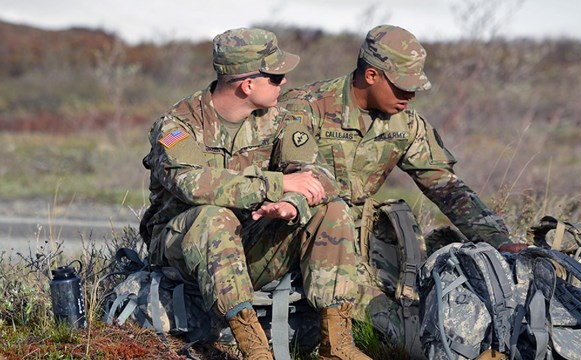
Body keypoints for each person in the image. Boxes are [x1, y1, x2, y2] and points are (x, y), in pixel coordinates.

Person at [280, 24, 527, 357]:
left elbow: (446, 187)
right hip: (307, 232)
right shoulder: (306, 108)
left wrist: (498, 239)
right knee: (401, 334)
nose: (409, 97)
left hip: (365, 236)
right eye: (401, 87)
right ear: (371, 75)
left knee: (427, 295)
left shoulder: (406, 124)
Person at [139, 28, 371, 360]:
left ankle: (338, 344)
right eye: (276, 77)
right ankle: (254, 348)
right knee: (213, 216)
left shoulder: (278, 120)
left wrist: (291, 204)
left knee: (330, 210)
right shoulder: (178, 127)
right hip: (183, 247)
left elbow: (317, 174)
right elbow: (194, 185)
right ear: (247, 85)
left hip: (248, 239)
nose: (285, 82)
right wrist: (275, 185)